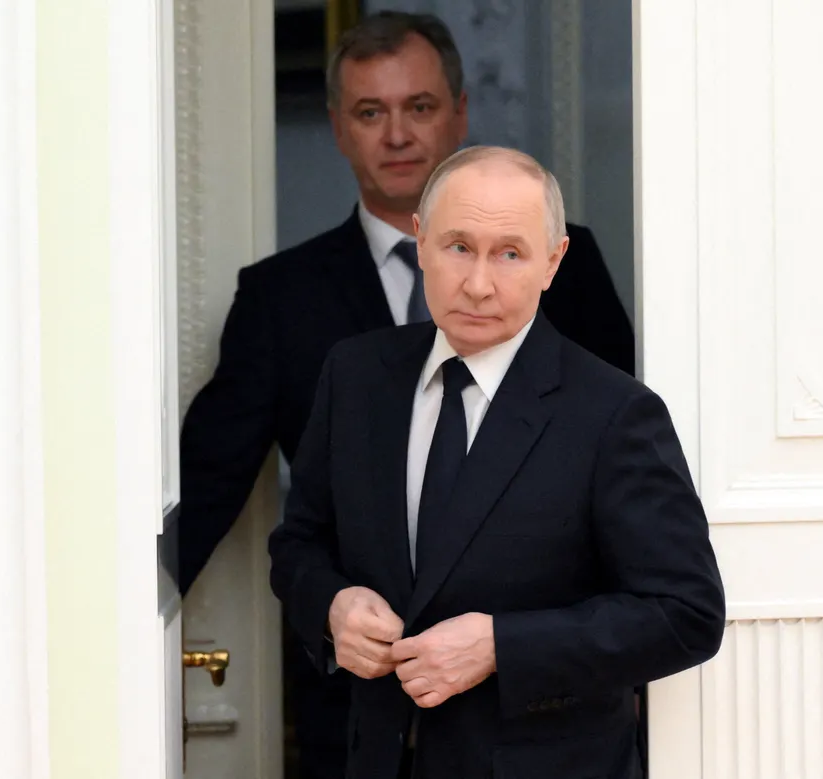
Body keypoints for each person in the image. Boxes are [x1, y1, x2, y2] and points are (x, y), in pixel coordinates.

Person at [177, 12, 634, 778]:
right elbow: (217, 490)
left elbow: (627, 483)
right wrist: (112, 634)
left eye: (419, 106)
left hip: (539, 729)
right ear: (338, 127)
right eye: (370, 112)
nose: (396, 134)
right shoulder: (280, 299)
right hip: (360, 722)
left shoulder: (569, 267)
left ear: (459, 112)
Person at [268, 145, 725, 779]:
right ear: (420, 240)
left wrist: (501, 648)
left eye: (510, 254)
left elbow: (686, 614)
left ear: (553, 262)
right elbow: (299, 543)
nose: (479, 284)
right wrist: (331, 606)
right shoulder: (355, 375)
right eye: (458, 247)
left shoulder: (615, 413)